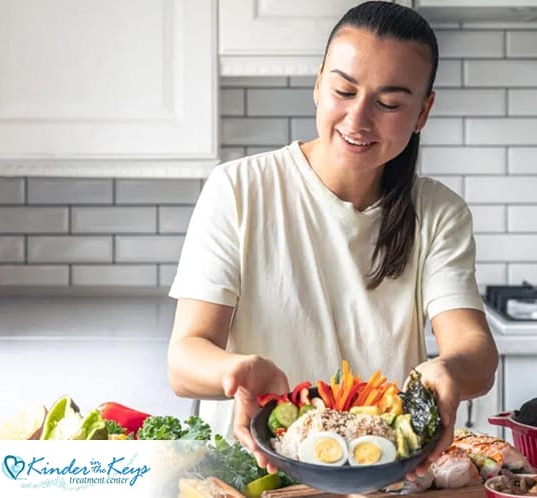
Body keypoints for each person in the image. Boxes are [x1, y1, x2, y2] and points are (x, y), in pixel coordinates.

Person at [167, 0, 499, 476]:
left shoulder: (438, 211)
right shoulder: (239, 189)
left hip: (384, 478)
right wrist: (232, 370)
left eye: (388, 103)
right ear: (318, 83)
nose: (358, 120)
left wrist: (447, 370)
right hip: (257, 475)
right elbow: (183, 360)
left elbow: (475, 352)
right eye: (344, 90)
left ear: (424, 111)